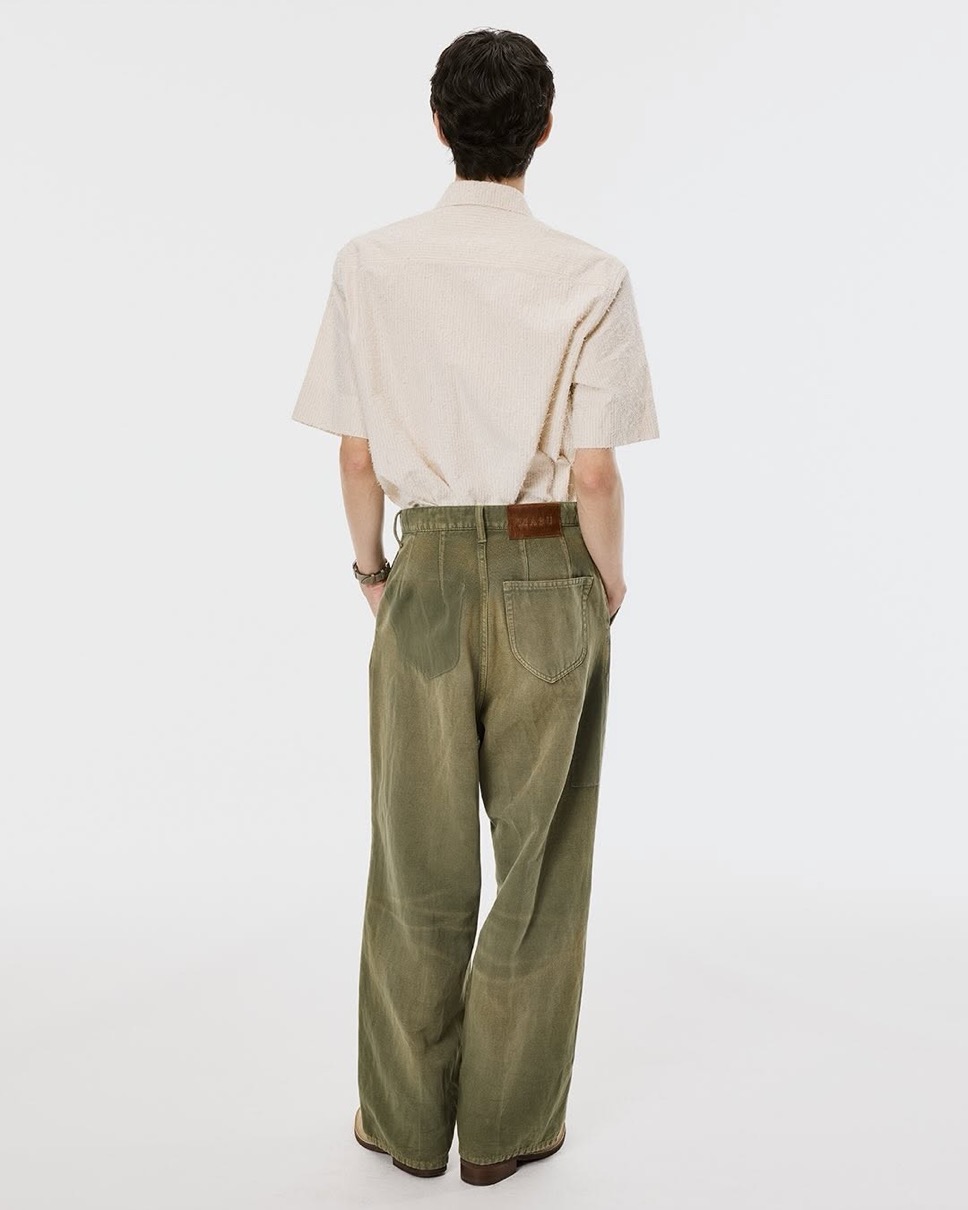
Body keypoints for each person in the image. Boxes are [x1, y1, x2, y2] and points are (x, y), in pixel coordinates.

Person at [291, 26, 660, 1187]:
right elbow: (593, 472)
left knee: (415, 860)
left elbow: (356, 454)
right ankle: (506, 1130)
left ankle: (402, 1124)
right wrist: (604, 581)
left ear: (438, 124)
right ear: (542, 131)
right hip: (550, 568)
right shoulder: (590, 276)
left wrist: (374, 574)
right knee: (539, 863)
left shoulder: (369, 263)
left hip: (426, 573)